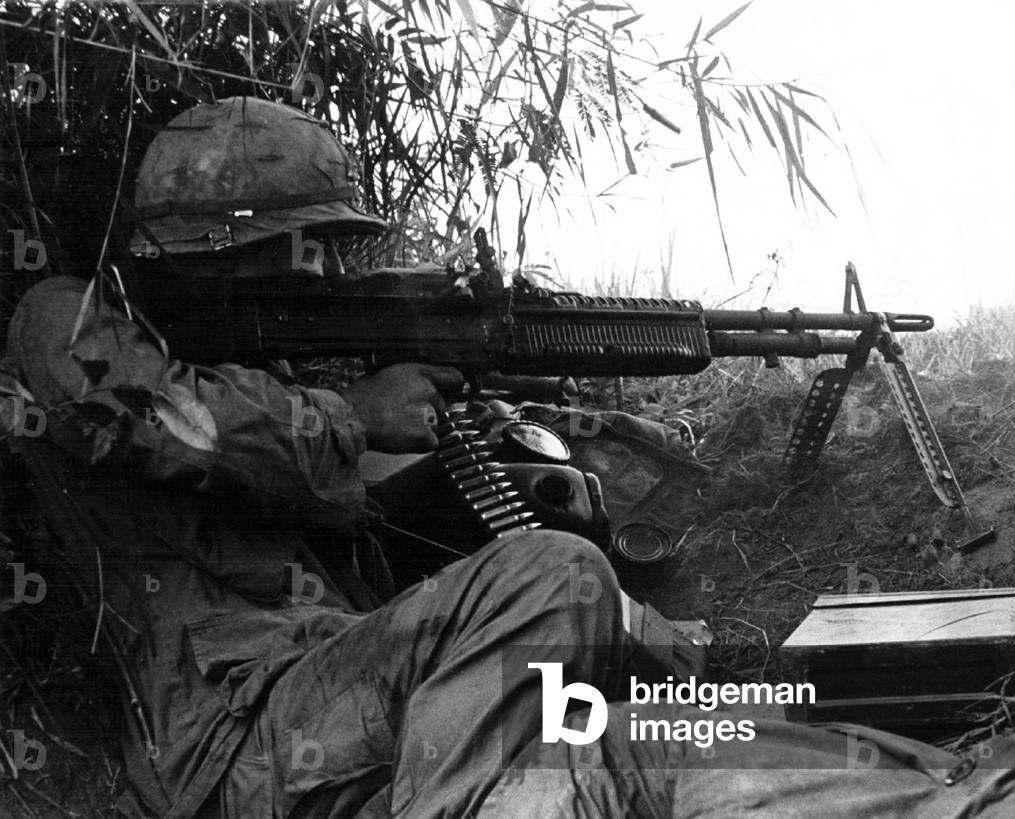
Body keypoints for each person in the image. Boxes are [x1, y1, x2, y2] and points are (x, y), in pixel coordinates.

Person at [1, 96, 635, 818]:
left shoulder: (245, 375)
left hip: (320, 716)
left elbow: (308, 514)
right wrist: (358, 414)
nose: (319, 267)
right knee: (561, 572)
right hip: (236, 741)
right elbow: (185, 425)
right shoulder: (62, 318)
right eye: (300, 244)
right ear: (220, 248)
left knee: (611, 745)